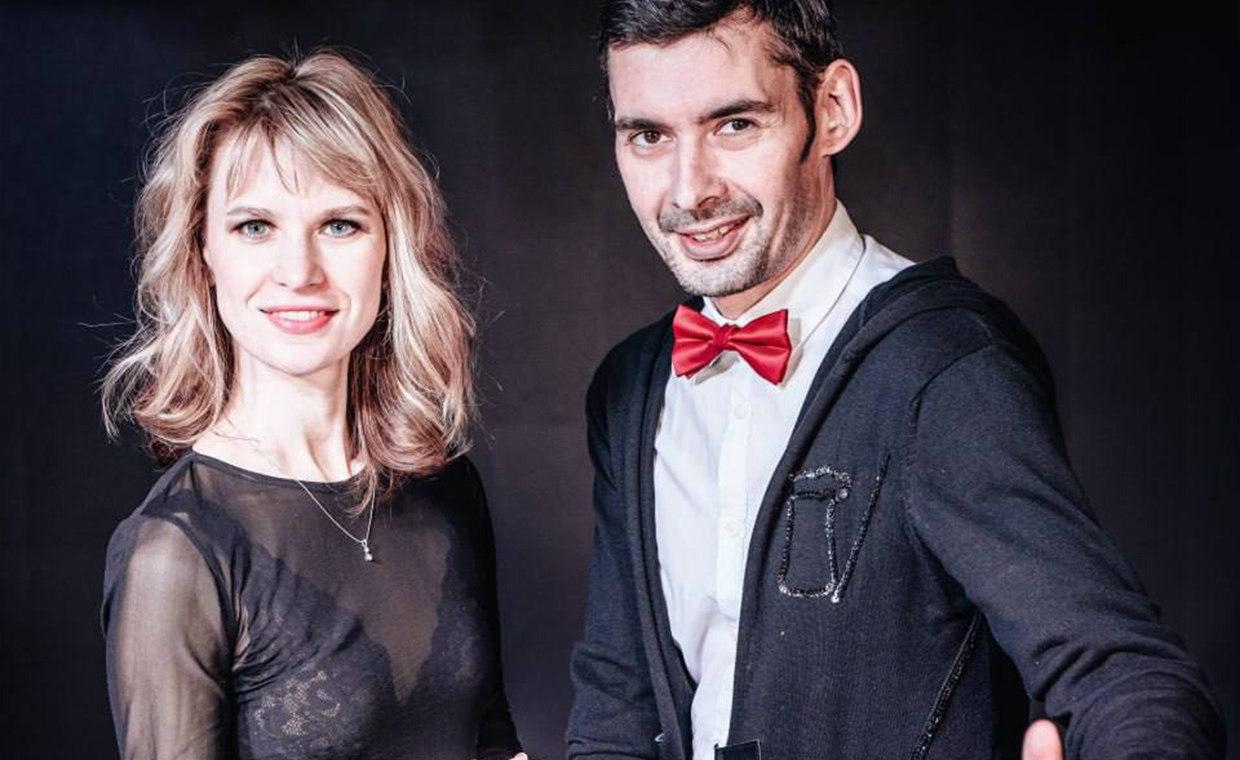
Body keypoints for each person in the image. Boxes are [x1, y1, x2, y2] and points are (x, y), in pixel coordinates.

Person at [567, 2, 1226, 759]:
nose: (689, 191)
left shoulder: (943, 364)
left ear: (833, 109)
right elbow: (617, 702)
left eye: (735, 125)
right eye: (649, 136)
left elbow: (1123, 670)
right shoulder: (631, 388)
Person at [101, 50, 525, 759]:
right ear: (203, 253)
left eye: (340, 224)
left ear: (390, 248)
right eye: (254, 226)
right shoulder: (175, 552)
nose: (299, 272)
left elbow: (493, 741)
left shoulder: (446, 486)